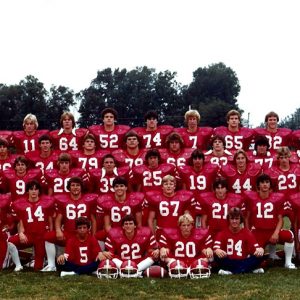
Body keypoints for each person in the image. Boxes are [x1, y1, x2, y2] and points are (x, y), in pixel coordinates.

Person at [43, 177, 97, 271]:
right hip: (68, 234)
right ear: (69, 187)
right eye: (73, 185)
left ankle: (93, 263)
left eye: (77, 185)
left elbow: (93, 220)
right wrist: (59, 230)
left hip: (83, 235)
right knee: (48, 236)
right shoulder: (64, 201)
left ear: (81, 187)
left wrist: (93, 235)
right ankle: (51, 264)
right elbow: (59, 218)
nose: (75, 187)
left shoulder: (88, 200)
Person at [244, 174, 296, 269]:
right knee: (254, 259)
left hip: (272, 231)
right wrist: (248, 233)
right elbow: (247, 217)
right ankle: (265, 259)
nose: (265, 184)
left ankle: (288, 262)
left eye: (267, 182)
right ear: (258, 185)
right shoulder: (251, 198)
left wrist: (276, 233)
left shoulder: (276, 198)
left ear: (270, 185)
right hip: (257, 232)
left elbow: (280, 219)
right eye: (262, 182)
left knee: (289, 236)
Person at [8, 180, 54, 271]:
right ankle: (18, 265)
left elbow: (50, 219)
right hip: (29, 235)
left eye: (36, 189)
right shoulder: (21, 204)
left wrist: (49, 233)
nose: (34, 191)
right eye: (31, 189)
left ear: (39, 191)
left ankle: (39, 260)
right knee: (10, 242)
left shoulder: (46, 202)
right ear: (27, 191)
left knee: (38, 268)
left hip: (41, 237)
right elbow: (21, 221)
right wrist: (21, 233)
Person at [213, 207, 264, 275]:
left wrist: (260, 250)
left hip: (243, 260)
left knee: (260, 256)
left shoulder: (247, 232)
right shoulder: (222, 233)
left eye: (237, 218)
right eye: (232, 218)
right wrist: (217, 250)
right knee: (216, 256)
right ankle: (247, 270)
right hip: (229, 260)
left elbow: (256, 249)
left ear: (241, 220)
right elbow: (215, 248)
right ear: (228, 220)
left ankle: (231, 271)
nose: (234, 221)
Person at [95, 176, 143, 241]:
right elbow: (107, 226)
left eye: (121, 186)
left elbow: (138, 224)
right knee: (97, 236)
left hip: (130, 233)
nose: (119, 188)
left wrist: (130, 236)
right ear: (113, 188)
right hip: (113, 234)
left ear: (126, 188)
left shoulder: (134, 200)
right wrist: (115, 238)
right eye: (116, 186)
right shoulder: (107, 202)